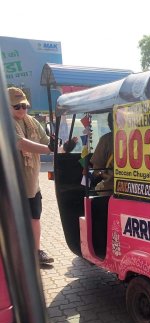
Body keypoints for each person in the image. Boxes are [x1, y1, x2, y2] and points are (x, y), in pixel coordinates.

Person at [8, 87, 76, 266]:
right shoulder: (4, 122)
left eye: (25, 106)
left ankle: (36, 251)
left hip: (31, 183)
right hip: (10, 185)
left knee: (34, 218)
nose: (22, 109)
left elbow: (49, 143)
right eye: (17, 107)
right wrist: (50, 149)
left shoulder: (32, 122)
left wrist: (62, 148)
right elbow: (21, 144)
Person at [90, 112, 114, 195]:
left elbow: (97, 170)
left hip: (110, 189)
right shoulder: (138, 138)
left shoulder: (106, 140)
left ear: (110, 124)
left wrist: (106, 175)